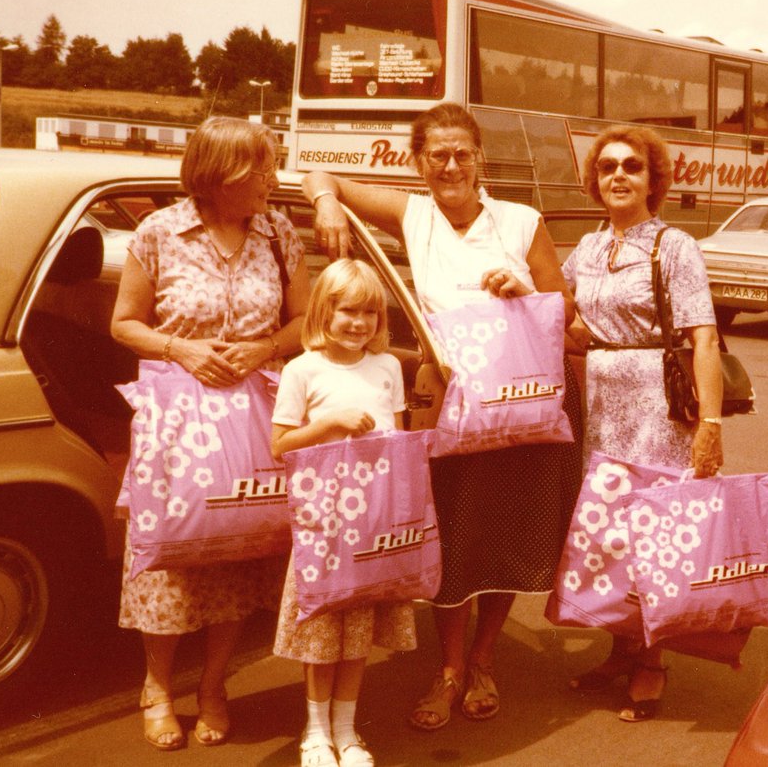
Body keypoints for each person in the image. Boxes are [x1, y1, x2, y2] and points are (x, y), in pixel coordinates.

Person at [302, 102, 583, 731]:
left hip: (518, 408)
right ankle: (450, 667)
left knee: (508, 534)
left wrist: (523, 293)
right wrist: (325, 205)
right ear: (418, 162)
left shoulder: (521, 221)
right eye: (437, 155)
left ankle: (483, 659)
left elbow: (562, 310)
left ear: (480, 157)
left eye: (462, 152)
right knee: (450, 537)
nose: (451, 165)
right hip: (448, 405)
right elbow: (321, 177)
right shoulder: (415, 213)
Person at [111, 116, 310, 750]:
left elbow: (306, 321)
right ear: (221, 173)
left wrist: (263, 349)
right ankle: (157, 689)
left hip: (251, 412)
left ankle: (215, 687)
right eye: (261, 168)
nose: (272, 180)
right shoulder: (159, 232)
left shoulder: (278, 232)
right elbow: (125, 324)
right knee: (170, 553)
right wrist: (183, 351)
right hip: (176, 416)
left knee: (240, 547)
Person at [562, 124, 724, 722]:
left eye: (632, 166)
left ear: (653, 180)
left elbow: (702, 336)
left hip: (658, 409)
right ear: (595, 180)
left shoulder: (674, 246)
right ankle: (620, 648)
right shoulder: (586, 248)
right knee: (609, 533)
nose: (618, 176)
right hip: (602, 403)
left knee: (656, 532)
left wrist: (710, 423)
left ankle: (652, 662)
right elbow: (574, 325)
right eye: (607, 167)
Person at [271, 258, 416, 767]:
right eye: (347, 311)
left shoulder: (388, 367)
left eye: (370, 314)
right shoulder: (302, 369)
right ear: (323, 313)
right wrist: (331, 421)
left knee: (358, 630)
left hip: (373, 519)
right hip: (323, 521)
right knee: (322, 629)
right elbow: (279, 445)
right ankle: (315, 734)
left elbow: (397, 440)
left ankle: (348, 731)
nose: (359, 323)